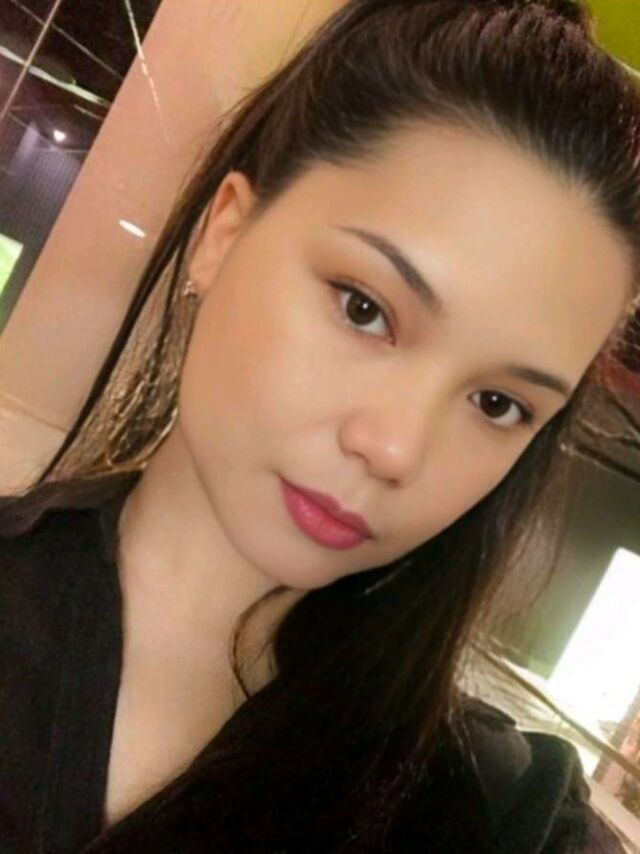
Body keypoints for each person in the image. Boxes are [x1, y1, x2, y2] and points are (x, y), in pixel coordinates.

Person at [1, 0, 639, 850]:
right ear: (225, 232)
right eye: (365, 308)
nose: (395, 448)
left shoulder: (491, 809)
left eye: (498, 404)